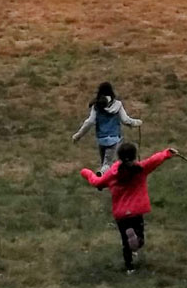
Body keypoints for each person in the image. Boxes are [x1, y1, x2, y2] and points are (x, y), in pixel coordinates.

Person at [81, 142, 176, 273]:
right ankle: (136, 240)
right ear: (134, 156)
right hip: (136, 211)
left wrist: (86, 172)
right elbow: (154, 160)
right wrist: (167, 153)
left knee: (125, 243)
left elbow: (97, 182)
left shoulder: (112, 174)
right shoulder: (140, 169)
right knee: (139, 240)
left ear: (119, 156)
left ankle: (129, 267)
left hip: (121, 214)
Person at [70, 81, 141, 170]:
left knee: (104, 161)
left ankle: (103, 177)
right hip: (114, 138)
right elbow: (125, 120)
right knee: (108, 164)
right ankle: (102, 175)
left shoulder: (96, 105)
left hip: (101, 139)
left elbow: (89, 122)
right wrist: (136, 123)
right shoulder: (117, 104)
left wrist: (78, 136)